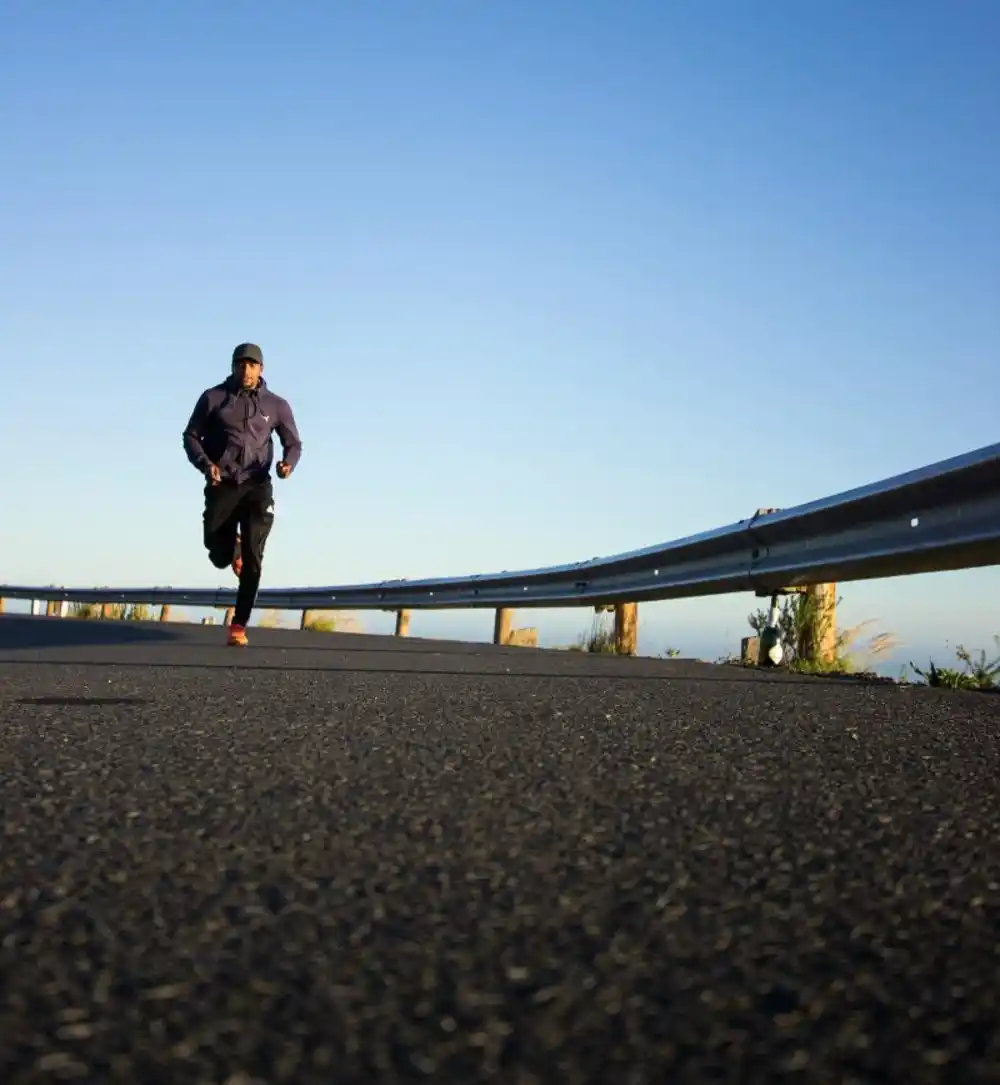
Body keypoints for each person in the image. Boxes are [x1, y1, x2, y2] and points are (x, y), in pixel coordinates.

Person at [182, 342, 302, 646]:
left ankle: (239, 624)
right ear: (233, 366)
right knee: (218, 553)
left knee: (254, 555)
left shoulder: (276, 405)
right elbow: (191, 436)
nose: (246, 370)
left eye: (252, 365)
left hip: (257, 486)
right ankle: (230, 549)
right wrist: (206, 464)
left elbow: (293, 443)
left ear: (261, 369)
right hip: (222, 483)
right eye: (240, 364)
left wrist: (288, 463)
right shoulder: (213, 398)